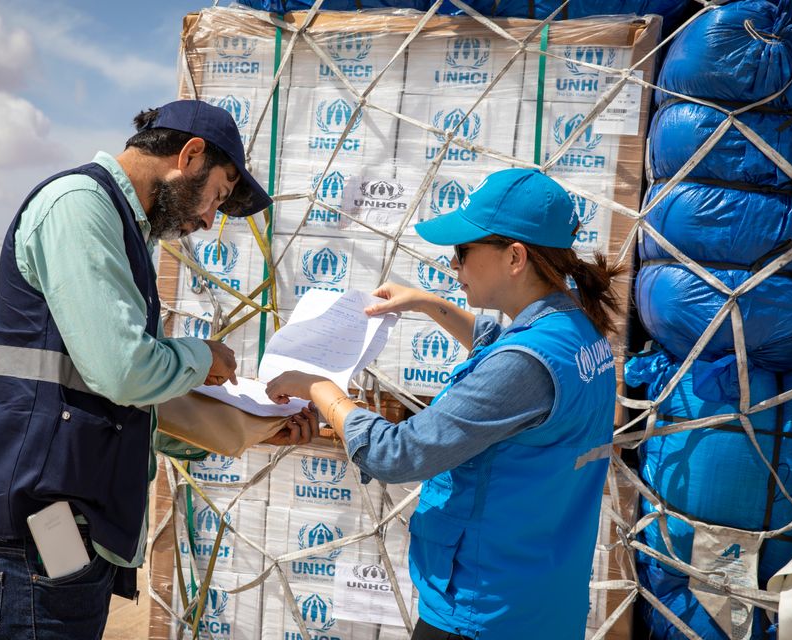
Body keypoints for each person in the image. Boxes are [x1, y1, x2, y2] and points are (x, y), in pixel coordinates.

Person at [0, 100, 318, 640]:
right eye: (218, 195)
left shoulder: (122, 228)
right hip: (40, 526)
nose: (210, 218)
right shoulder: (80, 207)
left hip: (69, 527)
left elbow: (125, 401)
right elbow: (125, 373)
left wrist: (255, 428)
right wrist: (201, 357)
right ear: (190, 154)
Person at [266, 168, 622, 640]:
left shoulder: (527, 365)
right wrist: (430, 305)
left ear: (515, 257)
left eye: (463, 252)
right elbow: (506, 358)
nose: (455, 266)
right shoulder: (578, 329)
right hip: (544, 597)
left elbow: (399, 453)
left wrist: (318, 386)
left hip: (483, 610)